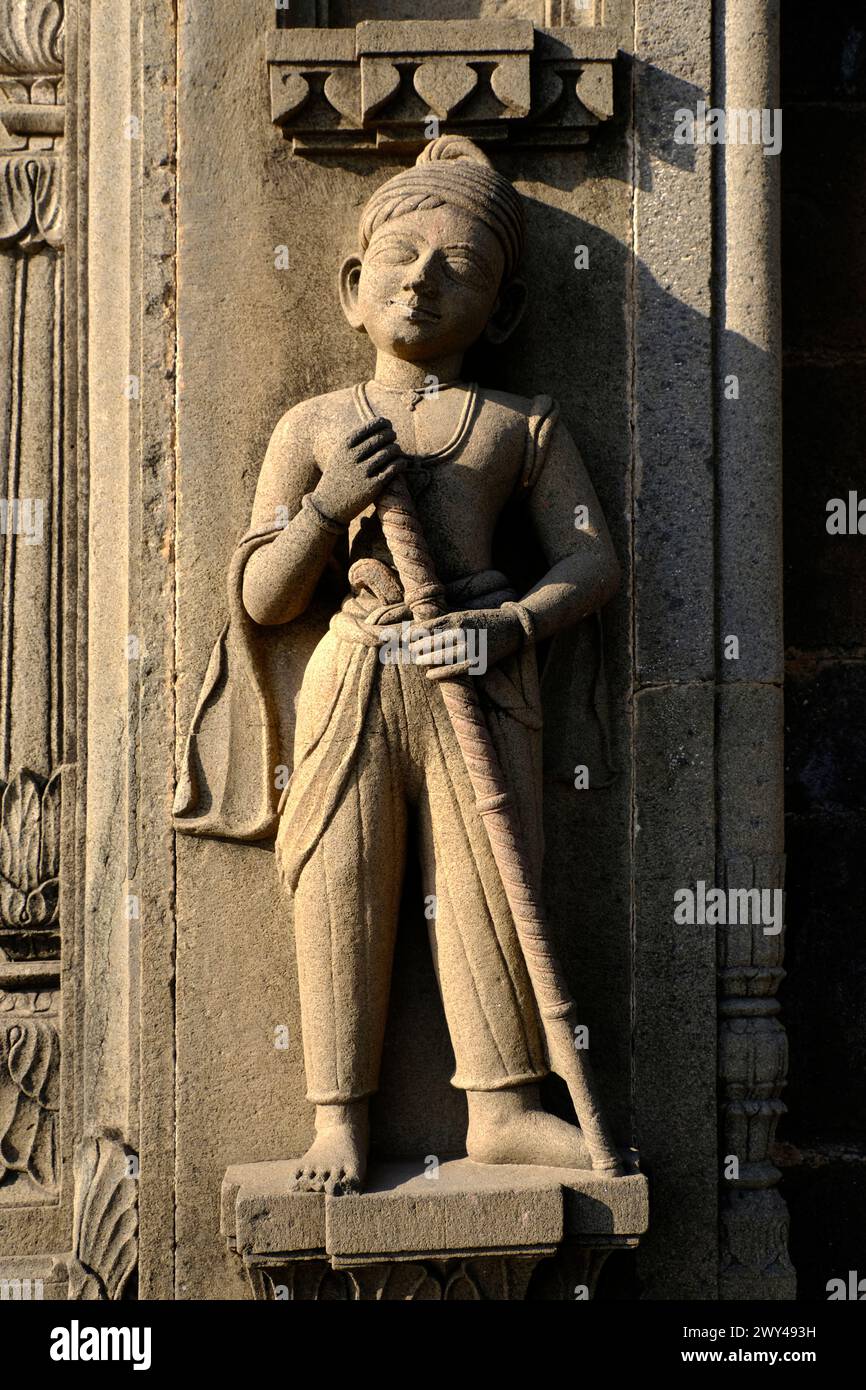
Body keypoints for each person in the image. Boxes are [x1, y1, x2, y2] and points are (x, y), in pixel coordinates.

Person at [175, 137, 620, 1194]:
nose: (422, 278)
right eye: (400, 256)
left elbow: (589, 559)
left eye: (458, 265)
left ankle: (502, 1104)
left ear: (502, 310)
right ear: (349, 287)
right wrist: (327, 506)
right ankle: (338, 1114)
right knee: (338, 876)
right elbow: (261, 596)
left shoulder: (517, 424)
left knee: (490, 881)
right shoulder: (317, 424)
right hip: (356, 668)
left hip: (476, 668)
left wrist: (506, 626)